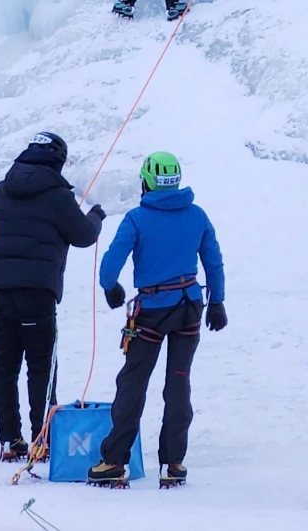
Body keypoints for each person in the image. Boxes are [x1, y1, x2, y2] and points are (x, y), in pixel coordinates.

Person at [88, 150, 226, 489]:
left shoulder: (137, 218)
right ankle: (173, 463)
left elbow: (110, 265)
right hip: (189, 307)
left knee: (133, 382)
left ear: (147, 181)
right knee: (178, 382)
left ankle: (114, 461)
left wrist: (111, 289)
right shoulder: (197, 215)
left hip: (150, 312)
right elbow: (214, 262)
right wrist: (217, 302)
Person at [0, 131, 105, 462]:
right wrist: (97, 216)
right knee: (41, 366)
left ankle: (10, 439)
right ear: (57, 160)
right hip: (37, 290)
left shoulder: (2, 189)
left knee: (5, 363)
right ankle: (42, 439)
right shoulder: (56, 194)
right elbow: (82, 235)